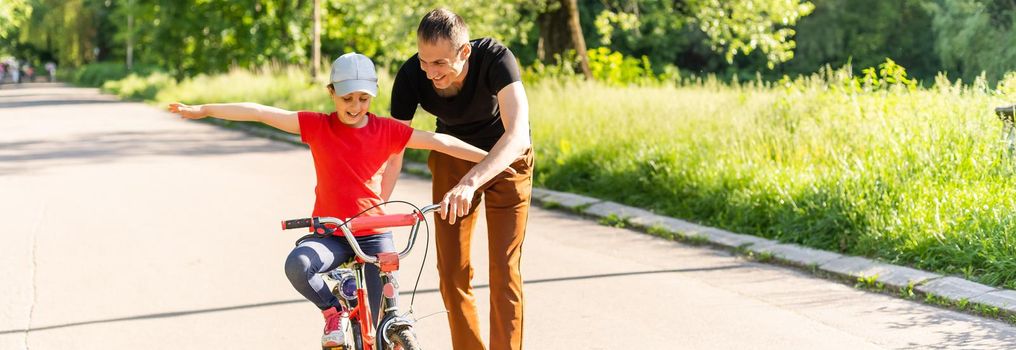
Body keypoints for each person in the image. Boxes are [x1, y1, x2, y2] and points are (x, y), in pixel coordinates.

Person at [167, 52, 501, 348]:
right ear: (332, 93)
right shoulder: (317, 126)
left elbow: (440, 141)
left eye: (363, 98)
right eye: (347, 99)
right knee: (297, 264)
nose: (355, 107)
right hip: (332, 233)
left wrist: (496, 158)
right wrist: (205, 109)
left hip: (374, 234)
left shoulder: (387, 130)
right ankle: (334, 310)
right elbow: (260, 112)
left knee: (387, 320)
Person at [388, 8, 533, 350]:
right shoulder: (411, 75)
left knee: (504, 269)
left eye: (439, 63)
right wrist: (375, 206)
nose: (430, 72)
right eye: (425, 61)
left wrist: (472, 181)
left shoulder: (496, 58)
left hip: (505, 159)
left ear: (464, 51)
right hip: (452, 156)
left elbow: (518, 136)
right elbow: (394, 150)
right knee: (451, 272)